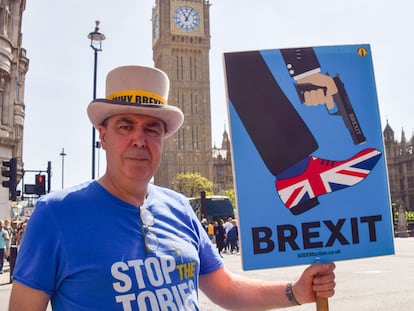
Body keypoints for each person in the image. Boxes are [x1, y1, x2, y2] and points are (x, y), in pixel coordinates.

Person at [9, 65, 335, 310]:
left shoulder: (179, 207)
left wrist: (297, 291)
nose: (139, 138)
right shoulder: (56, 214)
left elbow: (225, 289)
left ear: (163, 139)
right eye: (126, 126)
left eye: (152, 128)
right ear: (103, 136)